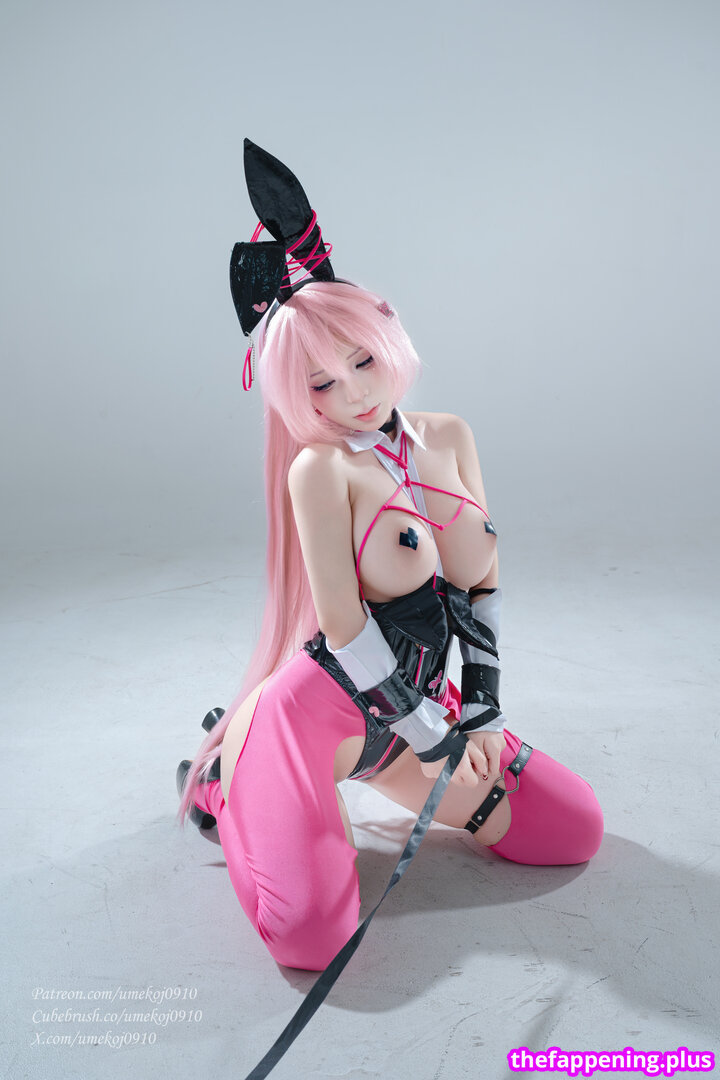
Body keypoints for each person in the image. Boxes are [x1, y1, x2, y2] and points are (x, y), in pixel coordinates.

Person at [177, 141, 604, 976]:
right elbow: (343, 627)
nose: (354, 393)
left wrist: (480, 711)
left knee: (573, 828)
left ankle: (331, 796)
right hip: (316, 722)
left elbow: (480, 584)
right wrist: (431, 735)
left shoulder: (449, 436)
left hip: (423, 716)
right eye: (321, 384)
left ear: (387, 334)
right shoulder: (320, 470)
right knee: (313, 940)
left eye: (362, 360)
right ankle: (228, 782)